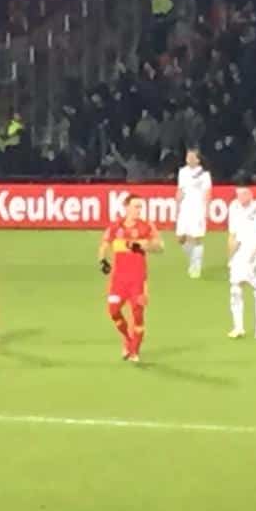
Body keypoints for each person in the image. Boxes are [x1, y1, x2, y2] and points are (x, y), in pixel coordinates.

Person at [97, 193, 162, 363]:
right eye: (135, 206)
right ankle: (127, 338)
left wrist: (141, 244)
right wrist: (102, 260)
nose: (138, 210)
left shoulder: (146, 226)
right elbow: (104, 244)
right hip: (118, 280)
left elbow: (159, 246)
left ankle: (134, 350)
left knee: (138, 315)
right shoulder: (115, 226)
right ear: (126, 207)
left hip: (138, 280)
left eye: (140, 207)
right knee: (113, 311)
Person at [226, 186, 256, 340]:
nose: (241, 196)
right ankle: (238, 327)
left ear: (251, 194)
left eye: (245, 193)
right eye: (239, 194)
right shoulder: (233, 207)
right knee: (235, 290)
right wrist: (230, 257)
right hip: (239, 254)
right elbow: (232, 234)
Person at [174, 149, 212, 279]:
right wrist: (177, 202)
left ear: (198, 159)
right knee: (181, 238)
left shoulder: (204, 174)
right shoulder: (182, 172)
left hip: (197, 208)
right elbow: (180, 189)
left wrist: (207, 209)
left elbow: (207, 192)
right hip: (184, 208)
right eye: (187, 156)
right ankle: (193, 261)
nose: (189, 159)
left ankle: (196, 266)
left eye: (192, 157)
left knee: (195, 238)